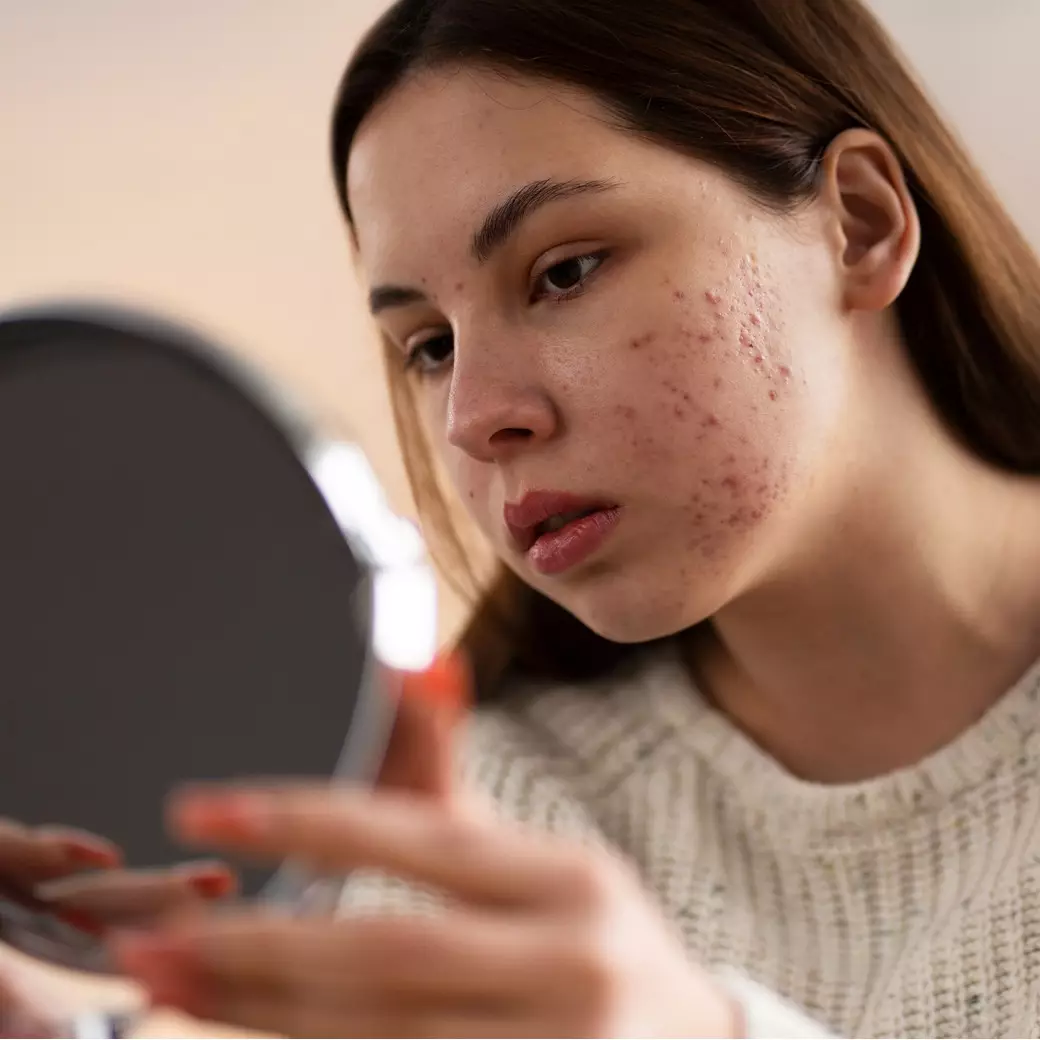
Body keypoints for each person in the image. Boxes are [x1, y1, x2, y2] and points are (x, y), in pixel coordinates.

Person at [36, 0, 1040, 1035]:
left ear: (860, 223)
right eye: (427, 345)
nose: (474, 417)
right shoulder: (481, 835)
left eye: (563, 271)